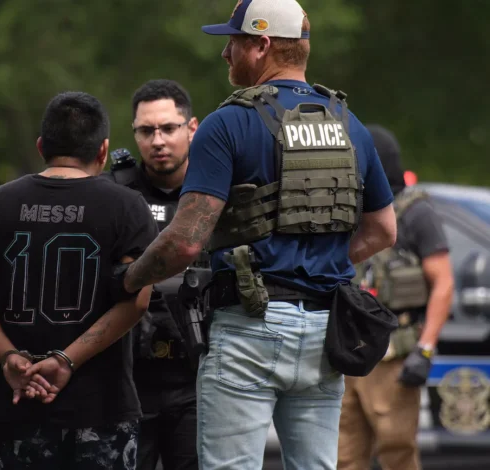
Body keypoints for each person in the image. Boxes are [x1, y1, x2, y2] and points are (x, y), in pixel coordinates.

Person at [118, 0, 398, 468]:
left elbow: (185, 242)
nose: (225, 53)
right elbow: (384, 230)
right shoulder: (349, 125)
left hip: (249, 328)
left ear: (262, 45)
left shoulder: (228, 123)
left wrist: (129, 279)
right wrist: (314, 262)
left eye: (233, 42)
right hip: (326, 330)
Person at [0, 91, 160, 469]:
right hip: (101, 410)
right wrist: (66, 360)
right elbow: (137, 300)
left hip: (19, 404)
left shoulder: (0, 202)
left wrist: (9, 356)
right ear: (103, 150)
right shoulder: (128, 206)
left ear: (41, 146)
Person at [337, 125, 454, 470]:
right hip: (345, 350)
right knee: (343, 456)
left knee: (397, 450)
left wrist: (425, 349)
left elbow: (443, 283)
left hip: (393, 352)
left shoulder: (414, 212)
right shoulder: (348, 210)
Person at [101, 79, 201, 470]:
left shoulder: (215, 191)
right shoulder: (114, 194)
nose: (158, 141)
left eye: (168, 128)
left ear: (191, 128)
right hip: (128, 381)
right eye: (146, 131)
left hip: (200, 379)